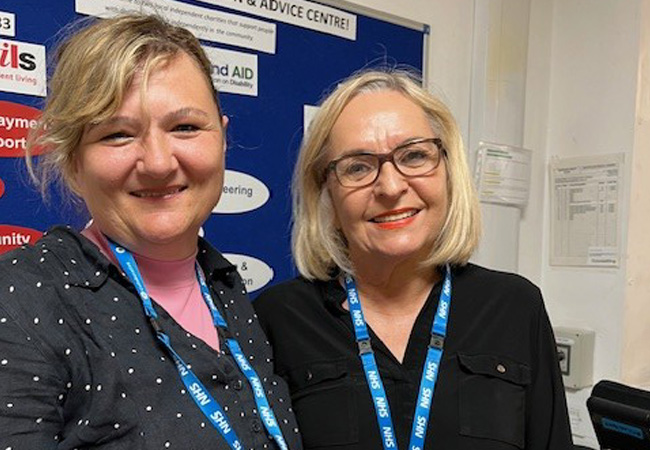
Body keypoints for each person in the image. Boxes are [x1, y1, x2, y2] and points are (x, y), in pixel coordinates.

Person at [0, 14, 301, 450]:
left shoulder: (223, 285)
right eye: (118, 134)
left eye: (185, 127)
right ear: (73, 161)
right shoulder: (22, 298)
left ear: (222, 138)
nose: (158, 162)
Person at [254, 69, 573, 450]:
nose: (390, 187)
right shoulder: (278, 318)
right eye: (358, 166)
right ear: (326, 194)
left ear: (448, 173)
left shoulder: (514, 306)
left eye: (415, 155)